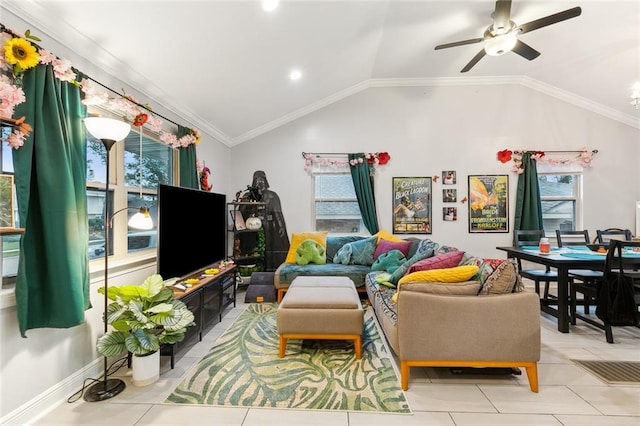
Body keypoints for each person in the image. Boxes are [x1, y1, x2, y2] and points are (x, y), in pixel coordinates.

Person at [244, 171, 290, 271]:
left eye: (262, 179)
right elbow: (243, 212)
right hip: (254, 227)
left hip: (269, 227)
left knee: (271, 249)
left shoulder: (272, 195)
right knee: (257, 250)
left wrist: (281, 226)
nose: (260, 182)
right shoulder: (248, 195)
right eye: (257, 179)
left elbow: (278, 213)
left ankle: (272, 269)